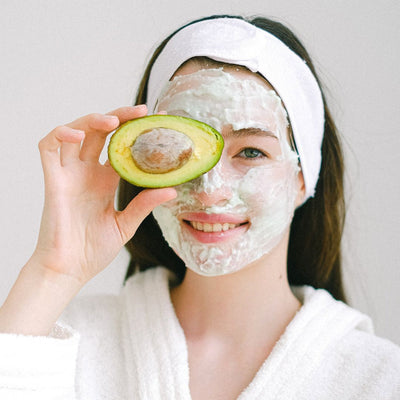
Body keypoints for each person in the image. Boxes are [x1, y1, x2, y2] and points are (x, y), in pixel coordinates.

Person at [0, 14, 399, 400]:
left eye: (252, 152)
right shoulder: (62, 344)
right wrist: (54, 271)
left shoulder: (378, 379)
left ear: (302, 177)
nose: (210, 191)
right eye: (175, 147)